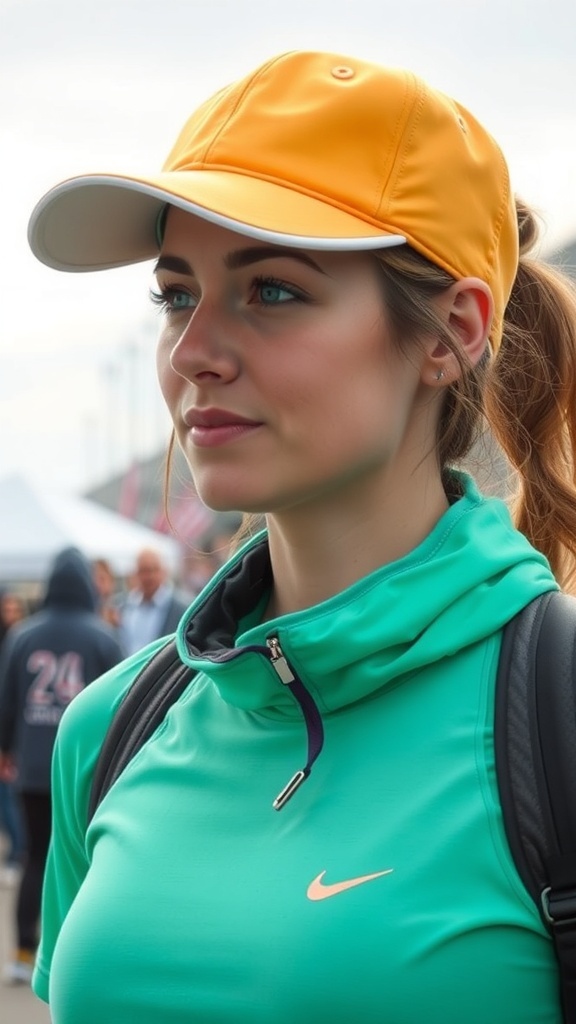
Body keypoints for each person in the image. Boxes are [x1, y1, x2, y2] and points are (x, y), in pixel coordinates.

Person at [25, 51, 576, 1023]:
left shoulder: (555, 713)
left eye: (272, 289)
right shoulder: (109, 728)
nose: (193, 351)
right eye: (175, 293)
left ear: (451, 332)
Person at [0, 547, 124, 984]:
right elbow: (125, 702)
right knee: (83, 861)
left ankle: (22, 953)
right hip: (85, 770)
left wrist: (5, 750)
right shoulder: (103, 637)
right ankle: (75, 957)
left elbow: (7, 701)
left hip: (33, 768)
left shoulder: (22, 636)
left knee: (35, 856)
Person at [0, 591, 28, 887]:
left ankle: (18, 853)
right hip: (8, 727)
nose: (11, 612)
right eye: (6, 607)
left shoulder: (22, 640)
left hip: (16, 730)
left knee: (9, 796)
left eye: (14, 607)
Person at [117, 548, 189, 655]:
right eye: (143, 571)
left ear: (164, 572)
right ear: (136, 574)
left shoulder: (180, 608)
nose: (149, 576)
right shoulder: (125, 606)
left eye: (153, 570)